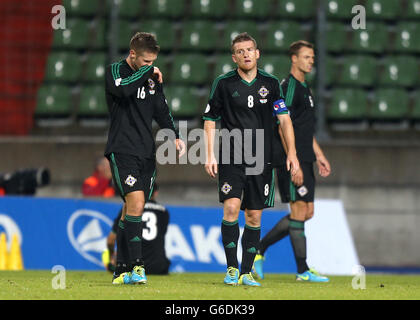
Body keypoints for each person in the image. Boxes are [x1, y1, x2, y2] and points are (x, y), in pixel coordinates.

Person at [203, 32, 299, 287]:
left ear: (257, 54)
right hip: (232, 156)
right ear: (234, 57)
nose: (245, 54)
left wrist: (292, 152)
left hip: (261, 158)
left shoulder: (271, 83)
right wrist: (209, 153)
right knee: (232, 208)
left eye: (249, 50)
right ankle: (232, 269)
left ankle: (246, 271)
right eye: (240, 51)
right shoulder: (223, 84)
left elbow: (284, 120)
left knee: (254, 216)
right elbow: (210, 119)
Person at [104, 32, 185, 285]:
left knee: (131, 210)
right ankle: (138, 267)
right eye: (146, 61)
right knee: (137, 203)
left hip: (146, 152)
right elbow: (124, 91)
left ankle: (121, 269)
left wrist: (175, 135)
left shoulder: (151, 79)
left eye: (153, 62)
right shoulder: (115, 71)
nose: (150, 66)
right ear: (132, 55)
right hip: (122, 149)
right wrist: (147, 73)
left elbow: (162, 110)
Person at [253, 40, 331, 282]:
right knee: (298, 210)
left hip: (306, 157)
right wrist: (292, 158)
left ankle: (259, 250)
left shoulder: (305, 89)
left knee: (307, 211)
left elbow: (304, 128)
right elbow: (281, 126)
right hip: (291, 159)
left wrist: (319, 155)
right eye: (306, 56)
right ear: (294, 59)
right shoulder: (287, 87)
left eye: (312, 57)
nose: (311, 61)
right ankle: (302, 271)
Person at [103, 183, 170, 275]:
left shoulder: (131, 208)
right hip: (158, 267)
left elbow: (111, 240)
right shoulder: (164, 211)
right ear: (156, 193)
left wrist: (111, 258)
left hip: (133, 266)